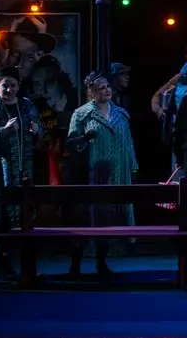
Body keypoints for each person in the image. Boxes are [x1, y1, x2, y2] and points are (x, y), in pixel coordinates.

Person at [65, 71, 137, 280]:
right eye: (101, 88)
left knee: (110, 218)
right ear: (91, 92)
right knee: (87, 218)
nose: (106, 90)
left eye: (108, 86)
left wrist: (133, 167)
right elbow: (71, 144)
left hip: (118, 172)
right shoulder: (82, 114)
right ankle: (76, 263)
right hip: (93, 174)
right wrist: (84, 138)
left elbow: (128, 142)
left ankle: (101, 261)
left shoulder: (121, 113)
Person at [0, 67, 40, 282]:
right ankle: (1, 264)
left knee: (26, 215)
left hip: (24, 170)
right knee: (0, 216)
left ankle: (26, 268)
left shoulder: (26, 105)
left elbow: (40, 134)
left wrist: (36, 131)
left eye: (13, 85)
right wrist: (2, 131)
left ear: (18, 86)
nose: (9, 90)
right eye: (5, 85)